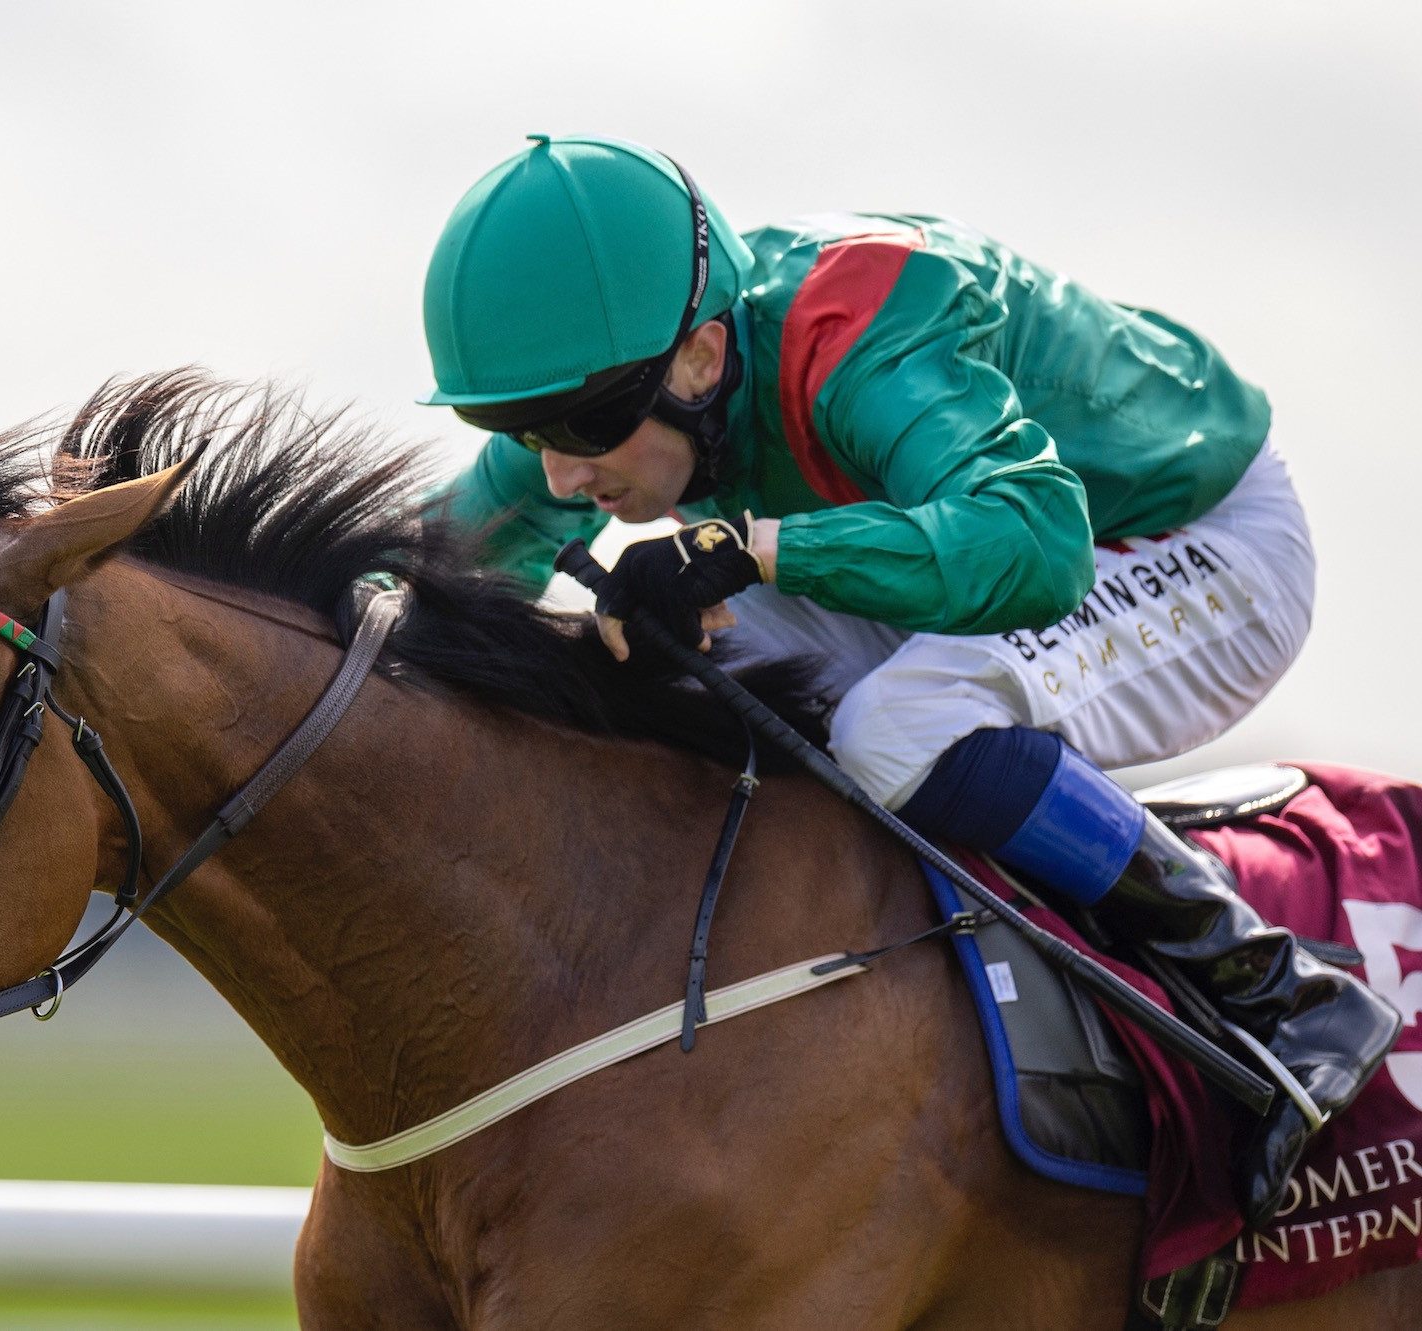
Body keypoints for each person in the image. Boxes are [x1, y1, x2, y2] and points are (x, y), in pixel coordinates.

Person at [417, 132, 1399, 1226]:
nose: (558, 471)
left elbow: (1032, 548)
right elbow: (414, 580)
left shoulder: (861, 343)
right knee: (699, 676)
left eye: (586, 425)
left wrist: (748, 547)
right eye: (513, 426)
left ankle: (1278, 988)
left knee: (896, 723)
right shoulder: (626, 377)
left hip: (1195, 538)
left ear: (700, 357)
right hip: (1010, 541)